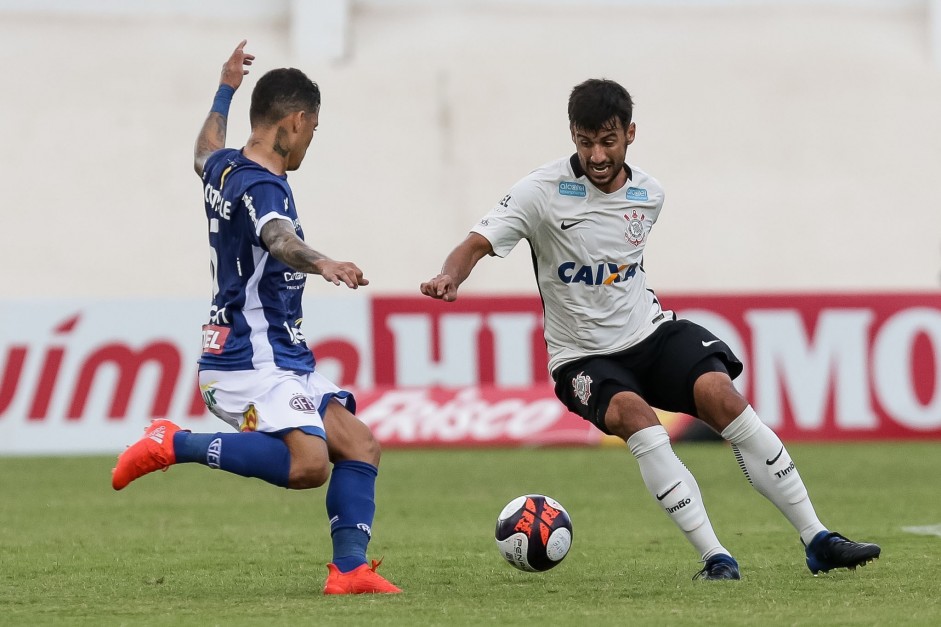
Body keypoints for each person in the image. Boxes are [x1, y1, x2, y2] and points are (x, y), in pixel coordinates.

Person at [420, 78, 881, 580]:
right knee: (638, 418)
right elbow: (475, 243)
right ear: (571, 135)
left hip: (651, 333)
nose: (596, 155)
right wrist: (449, 276)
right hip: (583, 357)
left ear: (630, 134)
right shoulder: (539, 192)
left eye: (608, 141)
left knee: (723, 397)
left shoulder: (649, 195)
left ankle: (818, 539)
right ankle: (716, 558)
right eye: (585, 141)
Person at [111, 41, 401, 595]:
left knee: (360, 445)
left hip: (281, 357)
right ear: (295, 121)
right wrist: (324, 262)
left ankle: (348, 571)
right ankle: (172, 442)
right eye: (313, 129)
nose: (311, 140)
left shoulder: (225, 167)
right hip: (248, 359)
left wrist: (225, 87)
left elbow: (201, 151)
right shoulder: (264, 185)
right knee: (310, 464)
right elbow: (278, 238)